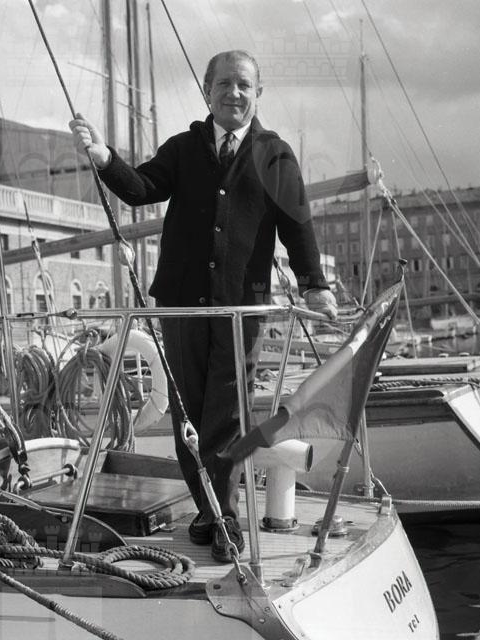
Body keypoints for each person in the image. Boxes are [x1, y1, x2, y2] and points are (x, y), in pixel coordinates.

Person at [69, 49, 338, 563]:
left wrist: (314, 285)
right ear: (207, 91)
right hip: (182, 305)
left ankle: (223, 515)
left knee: (228, 412)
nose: (234, 93)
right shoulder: (183, 147)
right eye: (224, 84)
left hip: (242, 309)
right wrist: (104, 158)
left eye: (244, 85)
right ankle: (208, 509)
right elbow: (142, 189)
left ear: (258, 93)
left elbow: (296, 225)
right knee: (188, 411)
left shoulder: (275, 154)